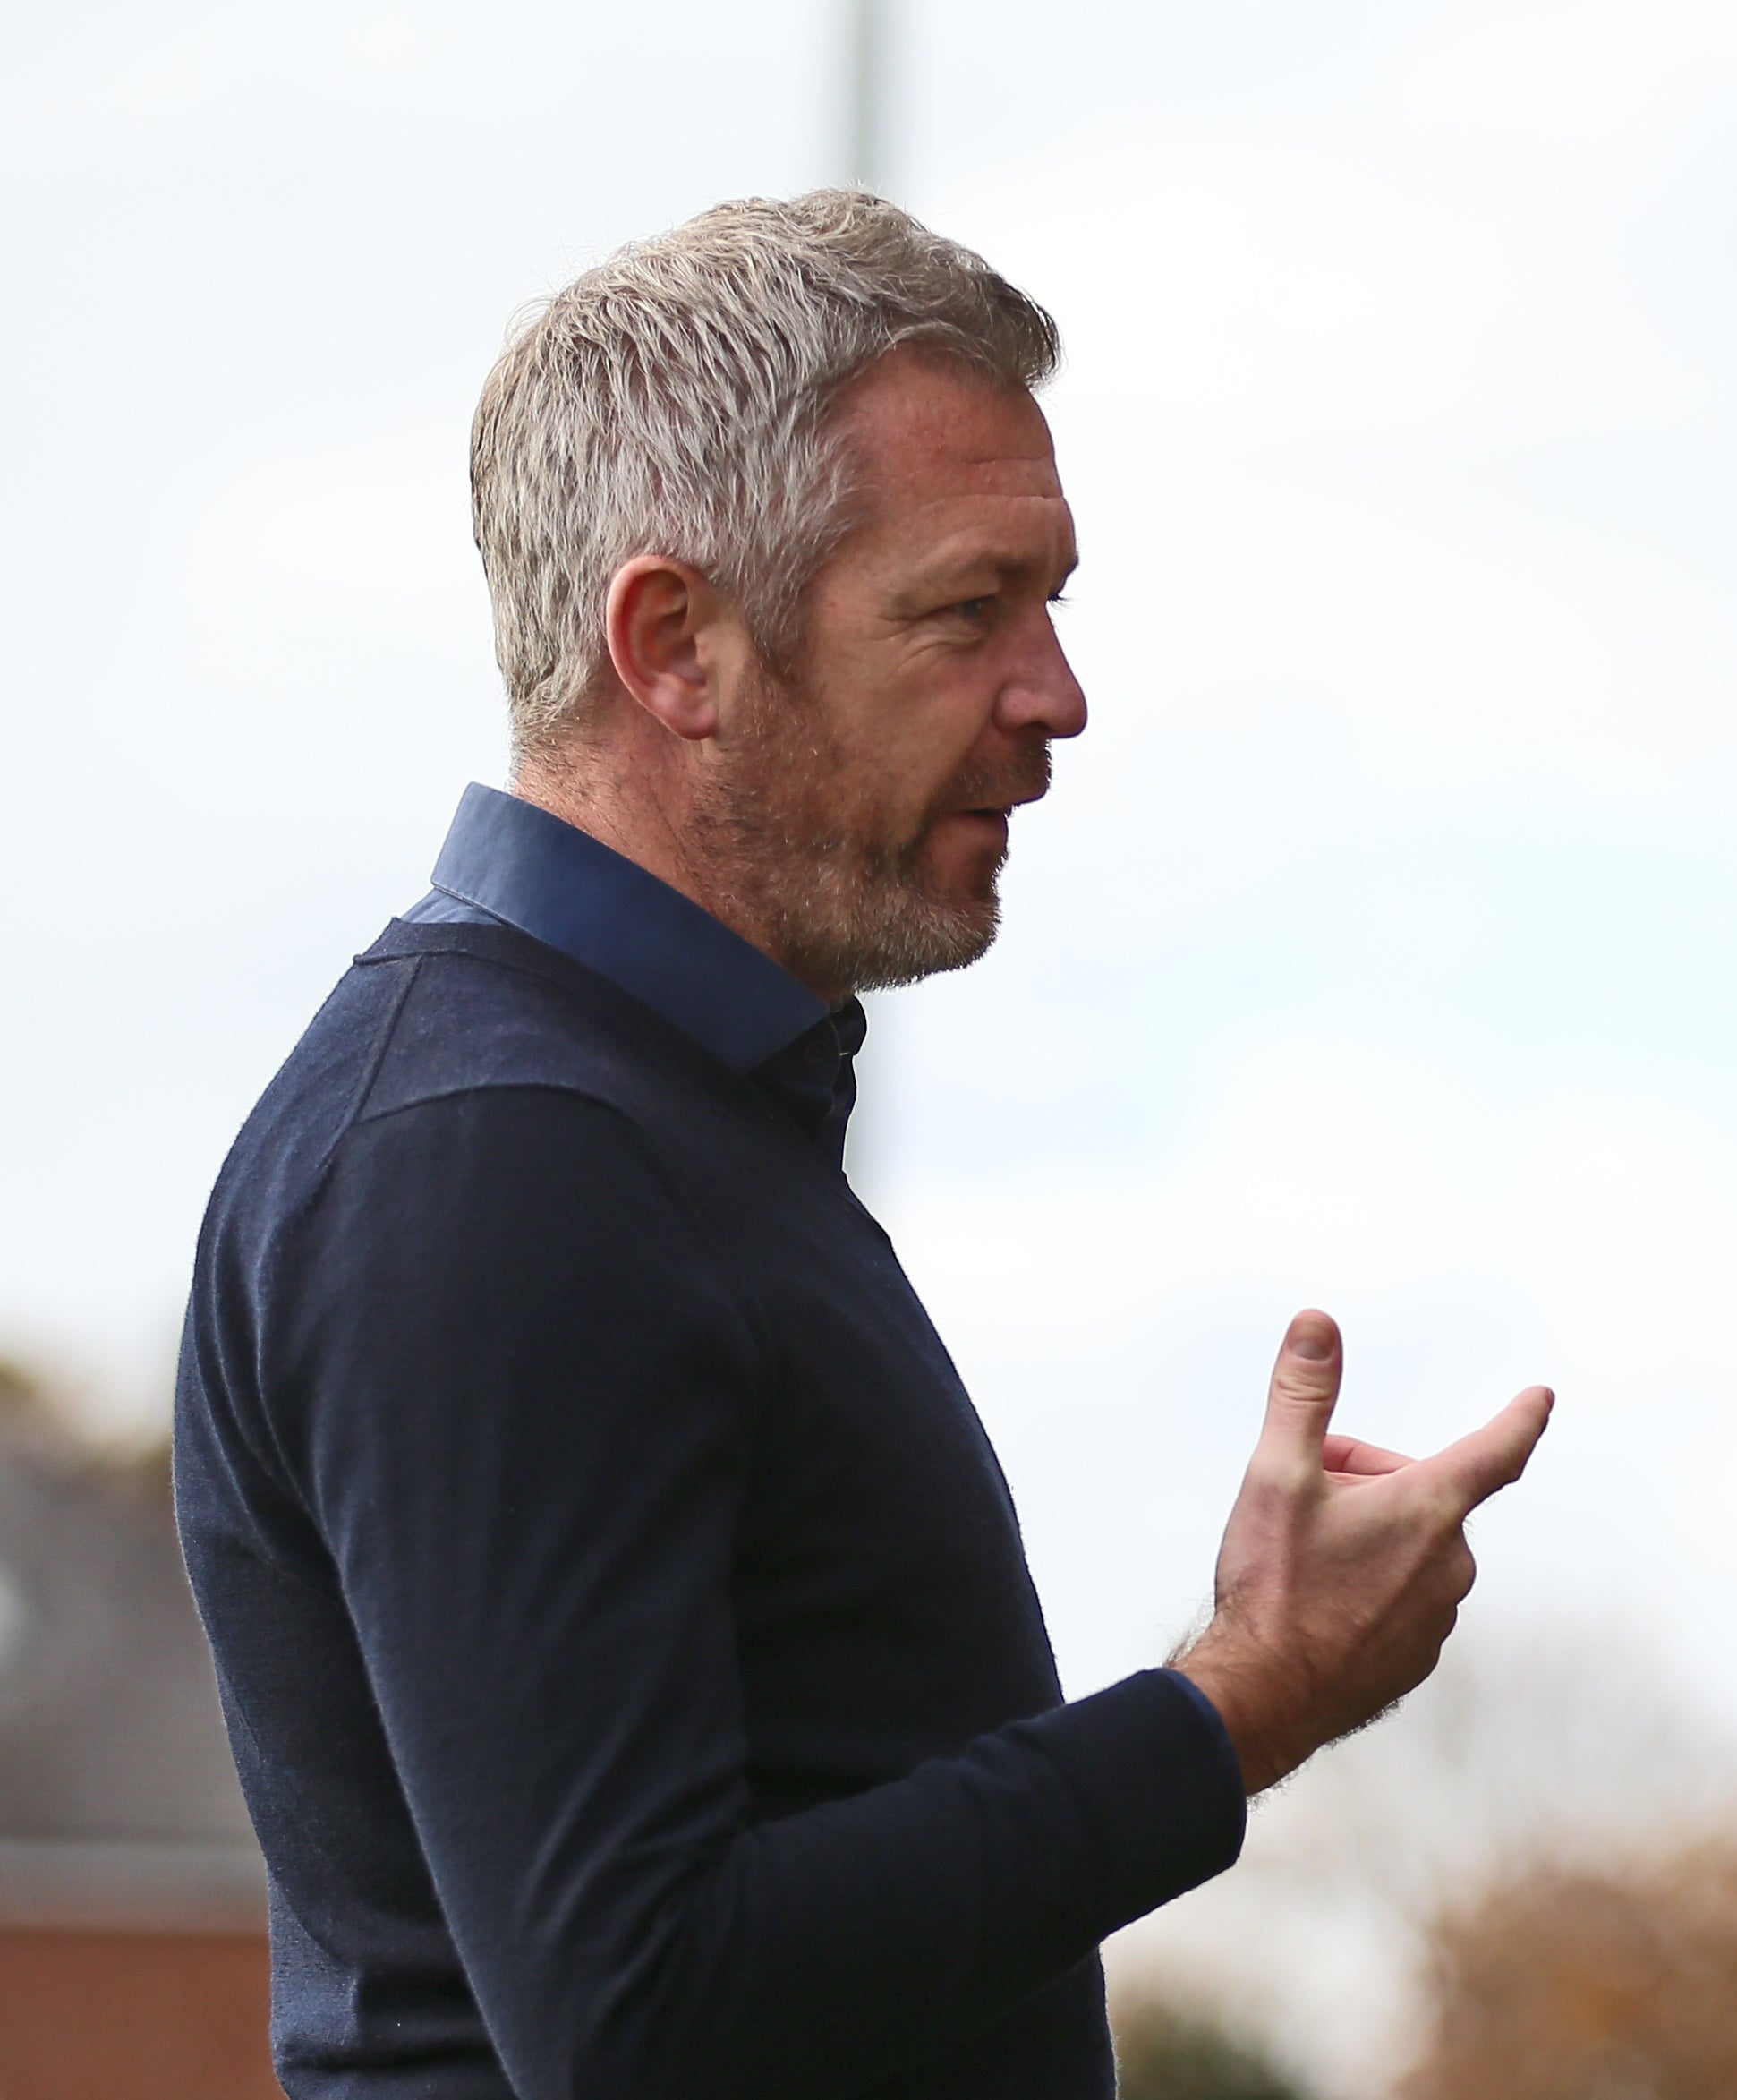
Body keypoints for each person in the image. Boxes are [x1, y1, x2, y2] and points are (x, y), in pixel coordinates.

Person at [172, 192, 1552, 2100]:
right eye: (968, 610)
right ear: (676, 645)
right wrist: (1239, 1700)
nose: (1056, 695)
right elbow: (640, 2014)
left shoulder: (631, 1117)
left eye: (1052, 604)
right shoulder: (495, 1156)